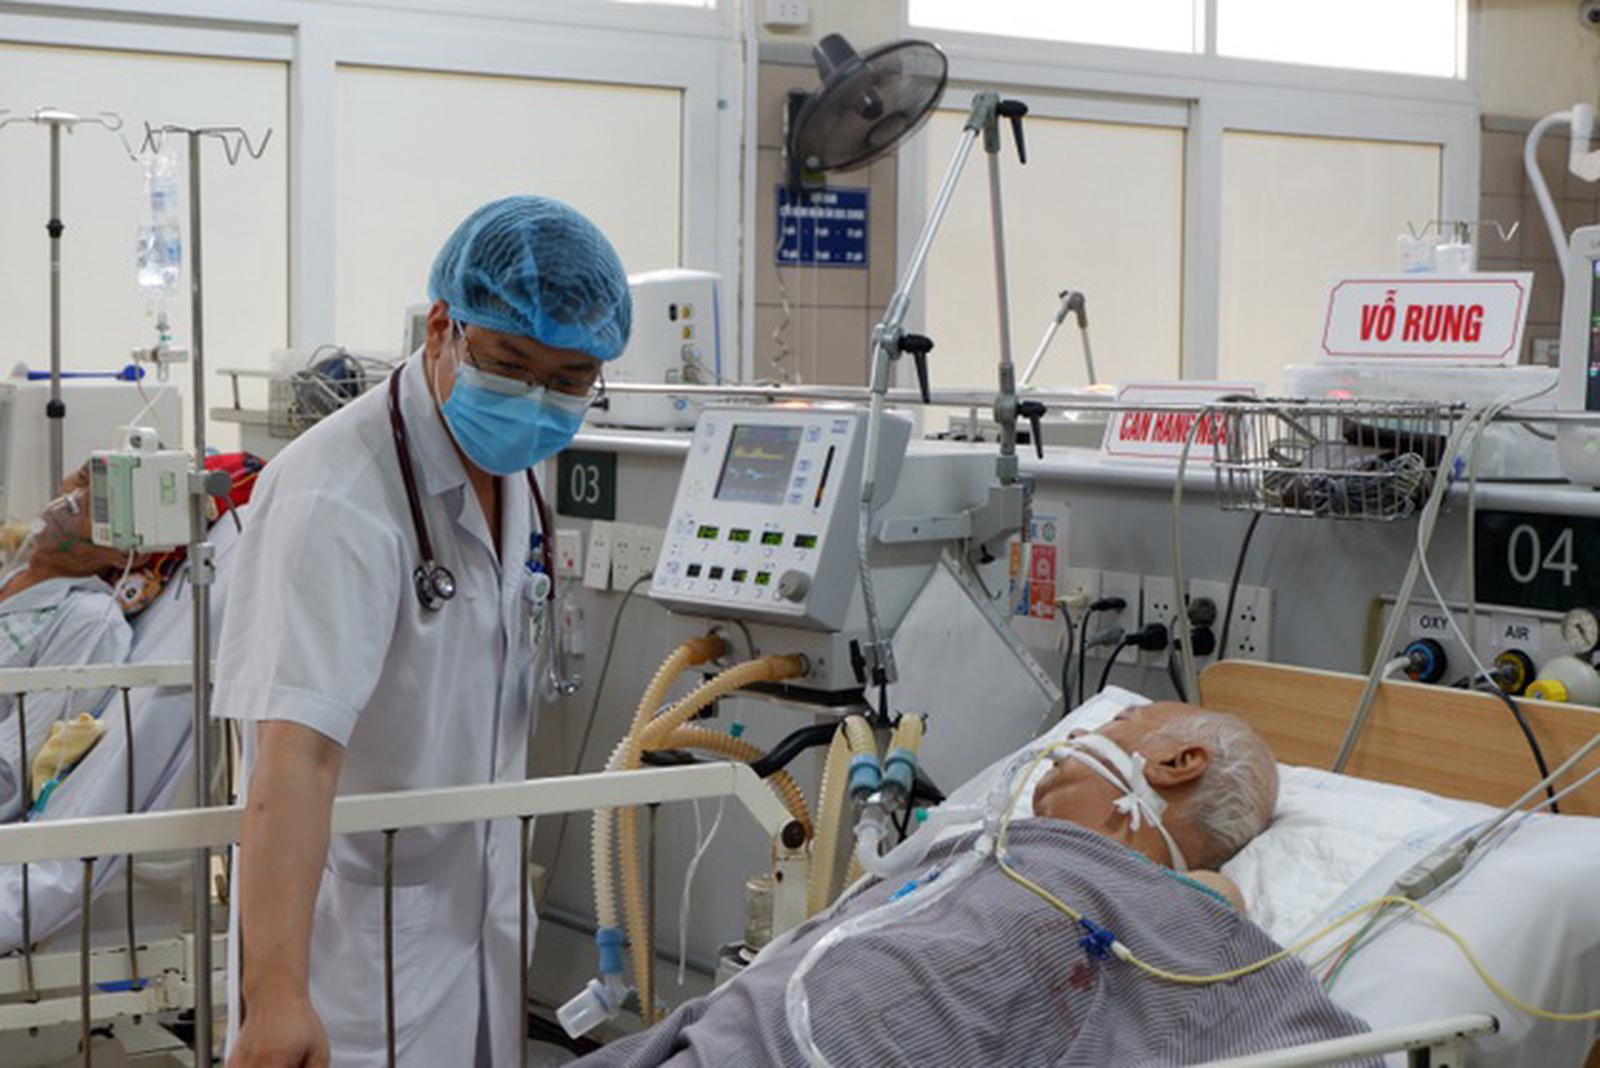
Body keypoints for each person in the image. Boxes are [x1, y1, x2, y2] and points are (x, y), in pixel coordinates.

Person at [214, 196, 632, 1067]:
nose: (537, 399)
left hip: (479, 925)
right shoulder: (337, 494)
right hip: (353, 951)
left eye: (570, 381)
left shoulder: (515, 474)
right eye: (511, 365)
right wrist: (277, 994)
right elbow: (294, 756)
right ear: (443, 326)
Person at [574, 703, 1348, 1068]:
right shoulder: (980, 853)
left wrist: (1209, 898)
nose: (1080, 736)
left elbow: (1307, 1040)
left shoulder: (1159, 919)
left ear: (1177, 764)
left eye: (1126, 721)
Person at [0, 468, 152, 821]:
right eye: (82, 479)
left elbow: (11, 772)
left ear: (127, 553)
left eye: (102, 500)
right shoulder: (13, 580)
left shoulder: (91, 622)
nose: (74, 499)